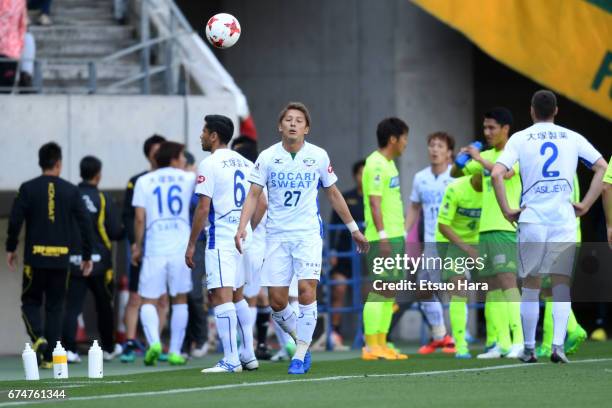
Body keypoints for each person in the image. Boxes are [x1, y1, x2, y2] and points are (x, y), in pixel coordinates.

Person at [235, 102, 369, 375]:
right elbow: (253, 195)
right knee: (276, 302)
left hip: (307, 234)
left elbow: (333, 194)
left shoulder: (318, 156)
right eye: (288, 119)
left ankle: (300, 354)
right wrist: (243, 227)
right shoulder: (268, 157)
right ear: (280, 126)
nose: (293, 123)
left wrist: (354, 228)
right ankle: (302, 340)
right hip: (276, 236)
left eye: (299, 120)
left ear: (306, 128)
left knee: (307, 291)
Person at [491, 89, 607, 363]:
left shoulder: (520, 138)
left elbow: (496, 173)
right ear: (556, 111)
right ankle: (557, 347)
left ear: (532, 111)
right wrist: (587, 203)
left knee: (530, 285)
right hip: (563, 220)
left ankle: (529, 348)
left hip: (532, 220)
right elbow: (602, 166)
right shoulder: (572, 137)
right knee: (561, 285)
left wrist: (507, 210)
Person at [185, 115, 266, 373]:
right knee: (238, 295)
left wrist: (191, 244)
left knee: (221, 296)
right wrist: (246, 229)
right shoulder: (245, 161)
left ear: (214, 136)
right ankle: (248, 354)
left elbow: (203, 207)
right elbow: (262, 202)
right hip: (243, 236)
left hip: (221, 236)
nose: (201, 135)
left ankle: (231, 359)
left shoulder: (208, 164)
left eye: (203, 131)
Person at [6, 142, 94, 368]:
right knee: (55, 306)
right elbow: (85, 223)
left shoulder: (27, 188)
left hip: (35, 259)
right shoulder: (71, 190)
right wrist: (87, 255)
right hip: (61, 259)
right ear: (59, 163)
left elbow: (15, 220)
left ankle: (39, 338)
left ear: (41, 162)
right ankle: (49, 356)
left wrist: (11, 247)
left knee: (30, 301)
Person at [452, 107, 523, 359]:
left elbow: (504, 172)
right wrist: (460, 158)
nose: (487, 132)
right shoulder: (486, 153)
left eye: (492, 127)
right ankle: (502, 343)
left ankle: (520, 340)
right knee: (491, 288)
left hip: (505, 228)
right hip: (485, 230)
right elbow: (455, 173)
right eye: (485, 127)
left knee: (508, 283)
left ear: (506, 128)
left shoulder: (514, 153)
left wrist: (479, 159)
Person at [131, 141, 196, 366]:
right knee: (179, 298)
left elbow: (140, 218)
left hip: (155, 246)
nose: (184, 159)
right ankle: (176, 351)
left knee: (147, 299)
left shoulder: (143, 181)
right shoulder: (187, 178)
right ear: (173, 158)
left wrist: (137, 245)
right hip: (180, 246)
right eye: (181, 156)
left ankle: (154, 343)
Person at [62, 156, 124, 363]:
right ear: (98, 174)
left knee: (72, 306)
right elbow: (115, 231)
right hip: (100, 263)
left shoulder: (69, 196)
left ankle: (68, 350)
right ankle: (108, 348)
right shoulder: (103, 198)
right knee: (104, 305)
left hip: (74, 261)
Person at [360, 117, 409, 361]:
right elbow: (374, 202)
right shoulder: (376, 163)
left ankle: (381, 343)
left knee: (390, 292)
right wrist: (382, 237)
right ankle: (370, 346)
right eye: (404, 138)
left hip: (395, 234)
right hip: (383, 237)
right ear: (393, 139)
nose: (406, 144)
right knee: (380, 290)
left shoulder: (389, 164)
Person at [404, 131, 456, 354]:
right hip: (431, 243)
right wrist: (405, 234)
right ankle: (440, 335)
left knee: (457, 289)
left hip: (454, 241)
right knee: (423, 289)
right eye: (432, 145)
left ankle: (461, 339)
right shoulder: (420, 177)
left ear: (449, 152)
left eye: (440, 146)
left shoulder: (457, 176)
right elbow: (415, 207)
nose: (434, 149)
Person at [120, 134, 168, 363]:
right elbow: (130, 216)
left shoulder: (175, 179)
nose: (159, 155)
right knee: (136, 296)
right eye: (155, 151)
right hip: (143, 245)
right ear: (148, 154)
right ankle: (129, 341)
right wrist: (134, 243)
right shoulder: (137, 181)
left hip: (166, 245)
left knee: (162, 298)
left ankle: (154, 343)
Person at [231, 135, 275, 360]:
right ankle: (258, 345)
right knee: (255, 295)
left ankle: (248, 347)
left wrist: (247, 225)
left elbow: (263, 203)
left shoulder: (244, 170)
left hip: (247, 238)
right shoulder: (261, 169)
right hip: (258, 240)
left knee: (245, 295)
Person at [436, 174, 482, 358]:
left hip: (480, 241)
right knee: (458, 289)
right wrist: (468, 249)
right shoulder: (456, 188)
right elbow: (443, 226)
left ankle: (498, 340)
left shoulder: (494, 187)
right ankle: (460, 343)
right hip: (451, 242)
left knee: (495, 287)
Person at [328, 159, 365, 347]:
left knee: (372, 289)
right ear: (355, 176)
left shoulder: (376, 198)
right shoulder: (345, 197)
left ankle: (371, 332)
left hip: (367, 255)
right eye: (360, 173)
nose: (363, 177)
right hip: (344, 252)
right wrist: (332, 250)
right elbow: (333, 226)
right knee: (339, 287)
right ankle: (335, 332)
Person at [182, 150, 209, 358]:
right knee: (180, 294)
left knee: (195, 293)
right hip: (177, 242)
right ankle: (184, 342)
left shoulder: (196, 182)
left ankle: (201, 338)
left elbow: (200, 207)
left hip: (198, 242)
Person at [0, 0, 27, 91]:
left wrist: (20, 45)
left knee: (6, 87)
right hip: (10, 47)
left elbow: (22, 24)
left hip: (12, 49)